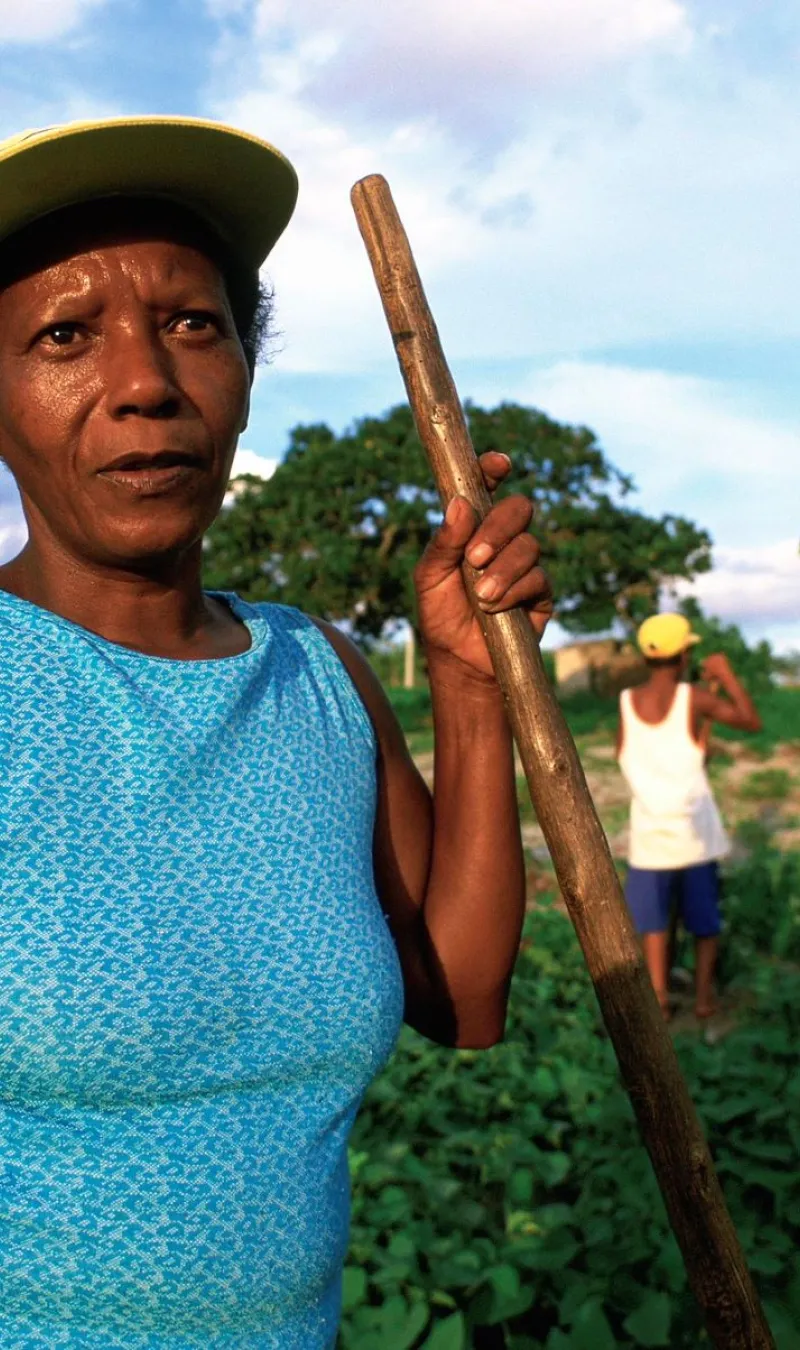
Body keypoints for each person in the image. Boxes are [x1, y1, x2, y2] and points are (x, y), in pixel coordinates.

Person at [0, 118, 553, 1348]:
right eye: (63, 335)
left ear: (246, 372)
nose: (145, 380)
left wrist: (468, 687)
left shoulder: (313, 674)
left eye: (194, 324)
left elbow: (460, 995)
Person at [616, 612, 761, 1021]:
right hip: (695, 835)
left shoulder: (627, 703)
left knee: (656, 924)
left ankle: (659, 999)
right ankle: (703, 1001)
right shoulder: (695, 699)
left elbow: (633, 755)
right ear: (683, 657)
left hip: (650, 837)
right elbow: (751, 721)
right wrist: (727, 676)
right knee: (704, 922)